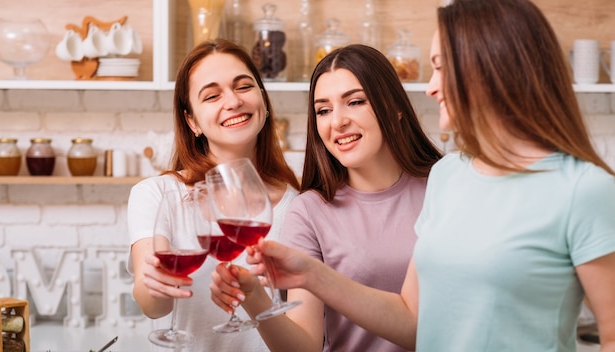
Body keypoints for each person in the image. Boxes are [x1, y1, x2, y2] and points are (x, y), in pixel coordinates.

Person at [220, 0, 615, 351]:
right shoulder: (450, 175)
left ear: (487, 68)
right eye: (323, 110)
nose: (429, 88)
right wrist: (310, 276)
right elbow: (413, 322)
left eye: (440, 67)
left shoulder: (585, 189)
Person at [210, 44, 443, 351]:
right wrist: (254, 297)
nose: (337, 122)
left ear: (395, 107)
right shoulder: (309, 212)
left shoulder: (445, 187)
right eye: (323, 110)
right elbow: (303, 346)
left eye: (355, 102)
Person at [126, 38, 300, 351]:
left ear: (263, 98)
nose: (232, 101)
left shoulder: (301, 203)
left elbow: (306, 335)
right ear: (192, 121)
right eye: (212, 95)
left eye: (243, 86)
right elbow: (153, 306)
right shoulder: (157, 193)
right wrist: (155, 284)